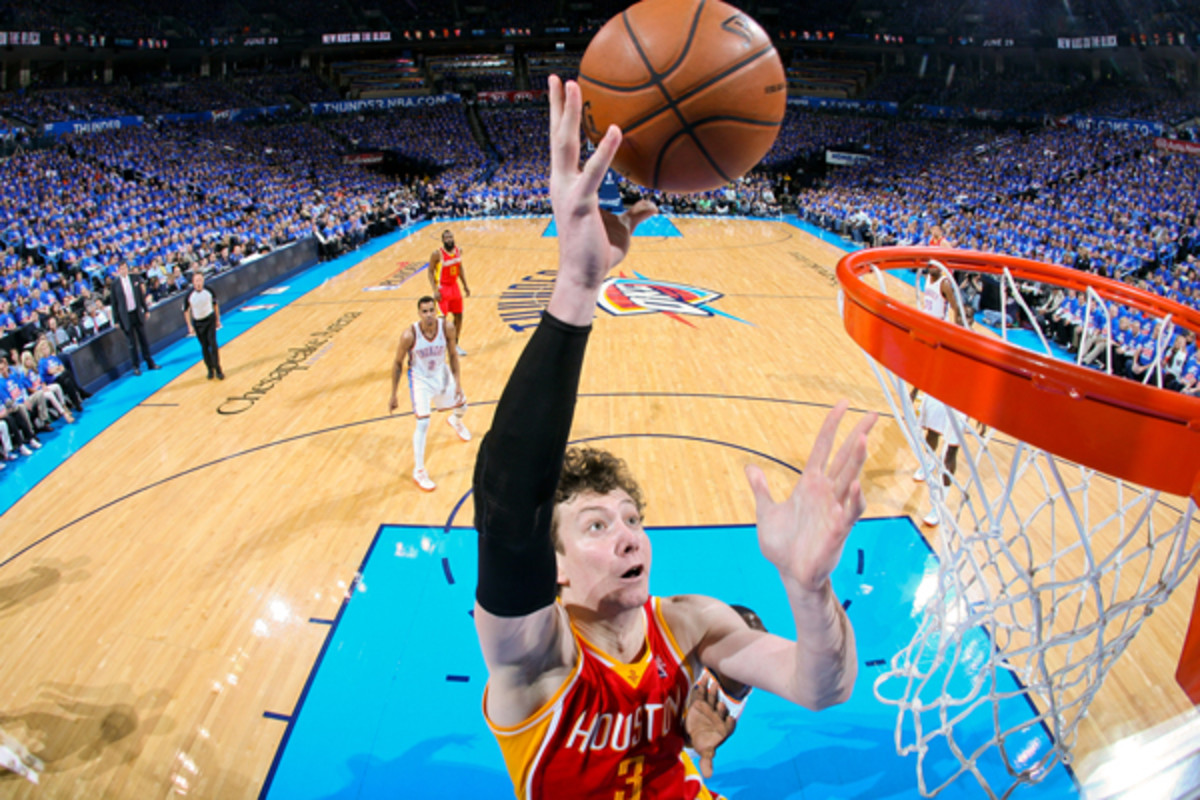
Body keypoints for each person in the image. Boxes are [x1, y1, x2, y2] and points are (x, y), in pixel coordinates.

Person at [472, 75, 874, 800]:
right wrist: (577, 285)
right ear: (553, 569)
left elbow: (824, 688)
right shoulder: (534, 661)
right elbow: (507, 499)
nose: (629, 536)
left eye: (631, 518)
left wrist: (809, 591)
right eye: (595, 525)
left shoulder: (690, 625)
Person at [388, 296, 470, 492]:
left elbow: (452, 355)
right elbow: (398, 363)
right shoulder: (409, 335)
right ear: (419, 314)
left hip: (441, 375)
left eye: (431, 310)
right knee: (423, 422)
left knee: (463, 406)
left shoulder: (447, 328)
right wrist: (393, 394)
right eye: (424, 311)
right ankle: (419, 471)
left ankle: (455, 421)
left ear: (436, 310)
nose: (429, 314)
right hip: (421, 379)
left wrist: (457, 382)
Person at [108, 263, 159, 375]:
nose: (123, 270)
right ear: (118, 270)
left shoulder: (134, 278)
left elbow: (140, 296)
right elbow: (114, 303)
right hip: (125, 316)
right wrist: (116, 320)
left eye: (125, 268)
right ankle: (135, 366)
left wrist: (145, 309)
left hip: (136, 313)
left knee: (143, 339)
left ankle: (150, 362)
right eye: (121, 268)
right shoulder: (115, 284)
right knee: (131, 343)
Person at [429, 229, 471, 356]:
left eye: (451, 237)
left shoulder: (459, 251)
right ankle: (437, 346)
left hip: (454, 287)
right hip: (443, 288)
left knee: (459, 316)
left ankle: (454, 344)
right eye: (446, 238)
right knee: (442, 320)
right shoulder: (437, 254)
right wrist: (434, 290)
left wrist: (465, 285)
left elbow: (460, 268)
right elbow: (430, 272)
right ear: (442, 240)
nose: (449, 239)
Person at [182, 271, 224, 380]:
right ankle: (210, 369)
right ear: (193, 282)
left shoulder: (209, 291)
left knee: (213, 345)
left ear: (203, 280)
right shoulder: (189, 295)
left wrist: (217, 319)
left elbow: (215, 305)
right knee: (205, 347)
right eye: (196, 281)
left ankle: (218, 368)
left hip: (209, 320)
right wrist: (189, 326)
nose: (199, 283)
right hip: (198, 323)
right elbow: (186, 311)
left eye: (200, 280)